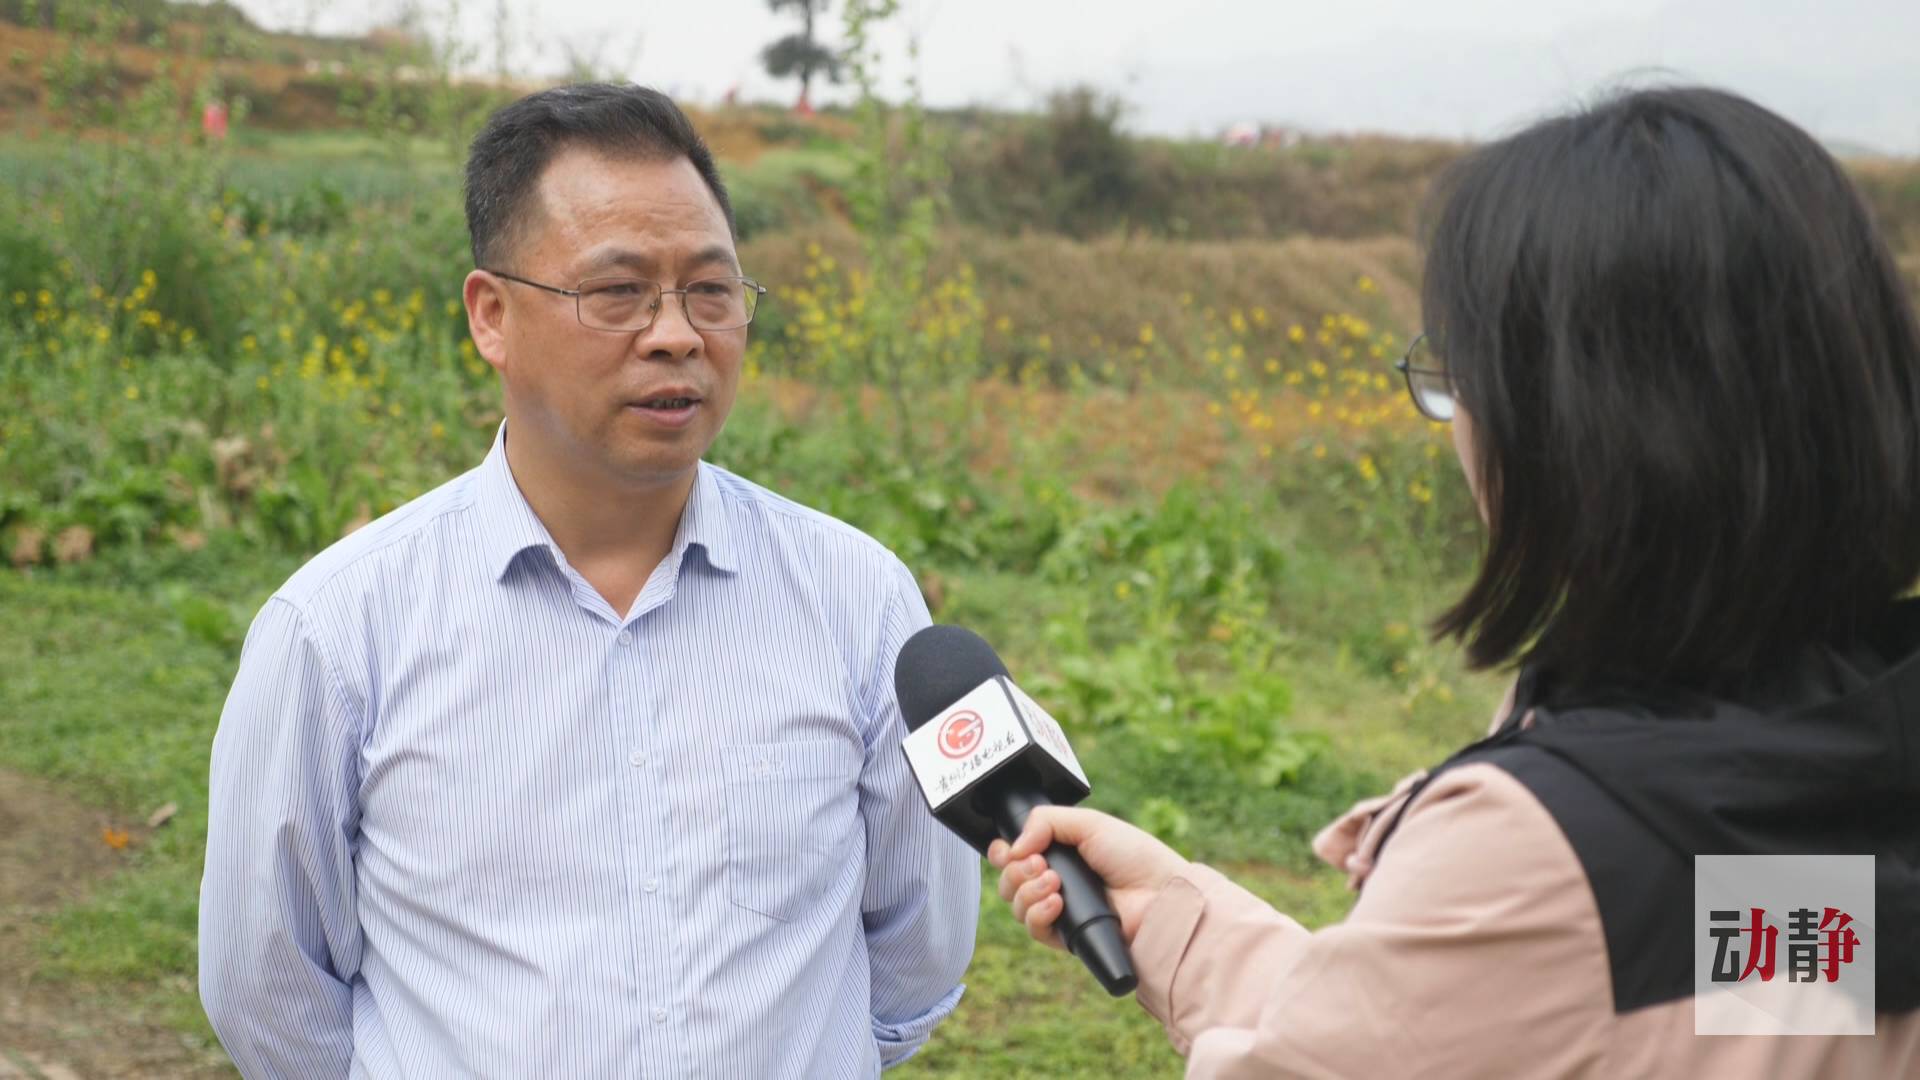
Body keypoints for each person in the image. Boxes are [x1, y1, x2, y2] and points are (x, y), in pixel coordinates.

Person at [990, 86, 1920, 1078]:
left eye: (1461, 373)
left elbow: (1510, 985)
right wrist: (1180, 925)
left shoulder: (1544, 856)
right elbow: (1574, 1006)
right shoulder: (1821, 781)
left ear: (1579, 425)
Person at [199, 83, 978, 1078]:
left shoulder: (859, 602)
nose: (677, 335)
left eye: (712, 289)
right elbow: (267, 990)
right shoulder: (339, 629)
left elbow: (917, 949)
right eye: (617, 292)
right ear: (492, 316)